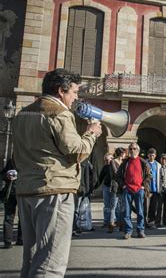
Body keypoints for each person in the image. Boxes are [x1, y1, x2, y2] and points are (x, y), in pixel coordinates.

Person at [12, 68, 102, 277]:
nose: (76, 97)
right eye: (74, 92)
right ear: (61, 91)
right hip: (54, 190)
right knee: (51, 260)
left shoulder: (22, 114)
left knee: (33, 256)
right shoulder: (60, 114)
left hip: (27, 190)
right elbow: (77, 152)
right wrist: (91, 134)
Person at [116, 142, 151, 239]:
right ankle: (128, 232)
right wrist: (123, 186)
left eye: (134, 149)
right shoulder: (125, 162)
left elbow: (148, 176)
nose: (132, 150)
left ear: (138, 151)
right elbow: (118, 176)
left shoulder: (143, 162)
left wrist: (143, 186)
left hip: (139, 190)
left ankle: (140, 230)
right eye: (131, 149)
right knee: (127, 212)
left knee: (140, 212)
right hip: (127, 190)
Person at [2, 157, 22, 249]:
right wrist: (7, 175)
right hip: (16, 192)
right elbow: (2, 174)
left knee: (18, 217)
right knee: (12, 217)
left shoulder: (12, 160)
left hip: (20, 192)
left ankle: (15, 240)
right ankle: (9, 241)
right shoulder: (12, 160)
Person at [94, 153, 115, 229]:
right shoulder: (105, 167)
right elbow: (100, 178)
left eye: (107, 160)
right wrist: (94, 187)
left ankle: (112, 222)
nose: (106, 161)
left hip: (114, 188)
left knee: (113, 206)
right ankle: (106, 221)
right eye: (105, 160)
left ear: (112, 159)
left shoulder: (115, 166)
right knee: (106, 205)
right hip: (106, 187)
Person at [110, 147, 126, 233]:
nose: (125, 155)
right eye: (124, 153)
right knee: (113, 206)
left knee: (121, 206)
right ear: (121, 153)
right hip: (115, 185)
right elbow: (116, 173)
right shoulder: (113, 161)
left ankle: (120, 224)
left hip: (122, 186)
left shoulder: (124, 162)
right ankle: (111, 224)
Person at [145, 148, 162, 229]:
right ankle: (145, 222)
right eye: (150, 155)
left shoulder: (158, 165)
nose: (151, 157)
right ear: (147, 155)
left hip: (155, 189)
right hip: (146, 189)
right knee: (145, 207)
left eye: (153, 155)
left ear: (155, 156)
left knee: (153, 207)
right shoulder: (144, 163)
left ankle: (152, 222)